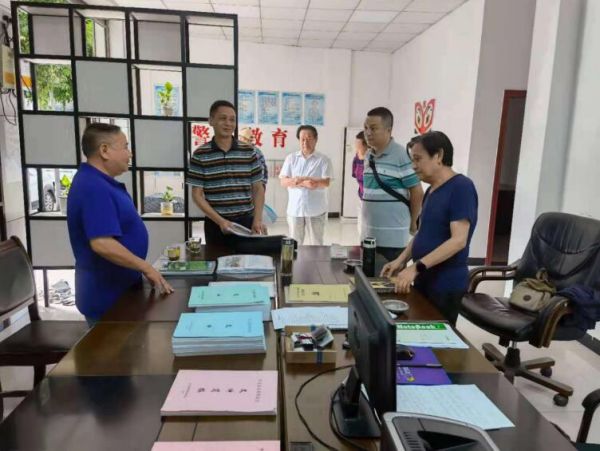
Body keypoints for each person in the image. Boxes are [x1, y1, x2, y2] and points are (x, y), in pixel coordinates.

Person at [67, 123, 173, 327]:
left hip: (120, 290)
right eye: (125, 147)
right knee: (113, 349)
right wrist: (146, 267)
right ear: (104, 150)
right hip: (106, 297)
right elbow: (102, 243)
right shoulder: (93, 186)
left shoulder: (100, 182)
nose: (130, 154)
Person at [381, 131, 478, 325]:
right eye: (412, 160)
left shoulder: (461, 187)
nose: (413, 166)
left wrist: (416, 267)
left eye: (418, 159)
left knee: (437, 339)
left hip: (445, 284)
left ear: (439, 156)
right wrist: (401, 260)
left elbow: (458, 241)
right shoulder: (431, 191)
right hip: (424, 279)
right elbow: (422, 234)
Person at [187, 100, 265, 245]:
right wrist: (220, 221)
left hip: (246, 223)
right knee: (216, 258)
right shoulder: (200, 155)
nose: (228, 123)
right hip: (215, 224)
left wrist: (258, 219)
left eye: (232, 119)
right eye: (223, 118)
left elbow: (258, 188)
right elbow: (197, 195)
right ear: (211, 121)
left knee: (247, 259)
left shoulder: (249, 152)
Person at [362, 107, 424, 261]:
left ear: (388, 130)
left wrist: (413, 223)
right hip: (369, 233)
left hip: (393, 238)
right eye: (366, 128)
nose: (368, 133)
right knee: (367, 273)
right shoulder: (368, 155)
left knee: (390, 275)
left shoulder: (401, 155)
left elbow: (417, 191)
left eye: (373, 128)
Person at [279, 125, 332, 245]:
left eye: (309, 138)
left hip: (316, 210)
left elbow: (326, 182)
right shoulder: (291, 158)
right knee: (295, 244)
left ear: (316, 139)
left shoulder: (324, 160)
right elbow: (283, 181)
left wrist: (304, 180)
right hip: (295, 209)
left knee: (317, 244)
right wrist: (302, 181)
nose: (305, 142)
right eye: (302, 139)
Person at [352, 130, 368, 236]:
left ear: (367, 146)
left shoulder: (373, 160)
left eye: (358, 144)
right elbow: (355, 175)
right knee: (361, 229)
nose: (356, 147)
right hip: (362, 197)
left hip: (373, 200)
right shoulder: (356, 158)